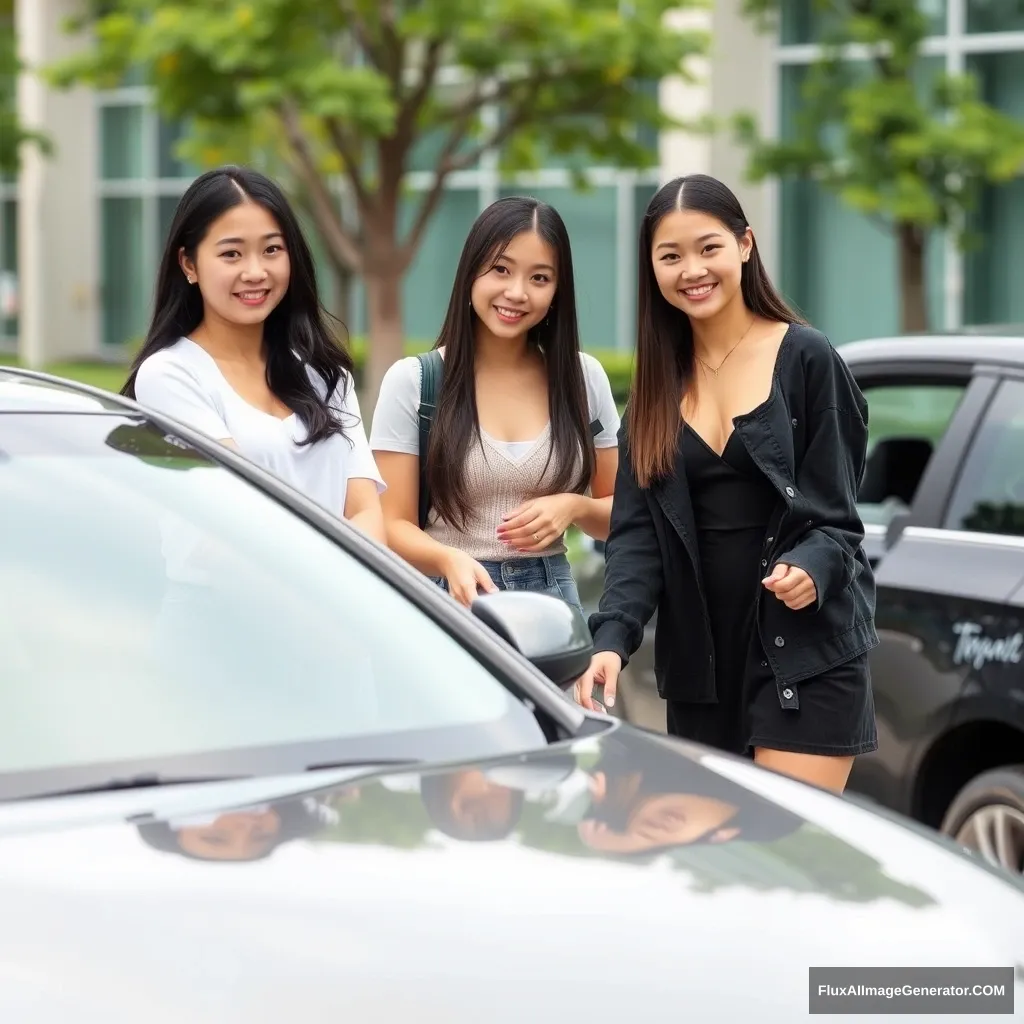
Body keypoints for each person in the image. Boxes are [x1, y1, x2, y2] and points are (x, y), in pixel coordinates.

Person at [575, 174, 878, 795]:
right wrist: (612, 639)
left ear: (745, 245)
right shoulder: (652, 398)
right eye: (671, 256)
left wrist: (811, 567)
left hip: (806, 655)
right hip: (701, 667)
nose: (692, 269)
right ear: (652, 269)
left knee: (785, 858)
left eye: (708, 247)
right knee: (718, 874)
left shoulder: (807, 358)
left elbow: (838, 519)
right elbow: (636, 541)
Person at [369, 196, 620, 612]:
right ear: (471, 273)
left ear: (558, 291)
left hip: (551, 601)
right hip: (444, 597)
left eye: (540, 278)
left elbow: (621, 515)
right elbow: (389, 523)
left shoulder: (583, 378)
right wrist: (447, 558)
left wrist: (573, 507)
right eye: (500, 270)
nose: (516, 292)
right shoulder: (414, 381)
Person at [124, 165, 385, 543]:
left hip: (329, 600)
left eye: (272, 249)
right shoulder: (170, 375)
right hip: (226, 600)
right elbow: (239, 514)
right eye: (231, 254)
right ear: (189, 264)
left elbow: (366, 512)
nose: (255, 271)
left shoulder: (326, 376)